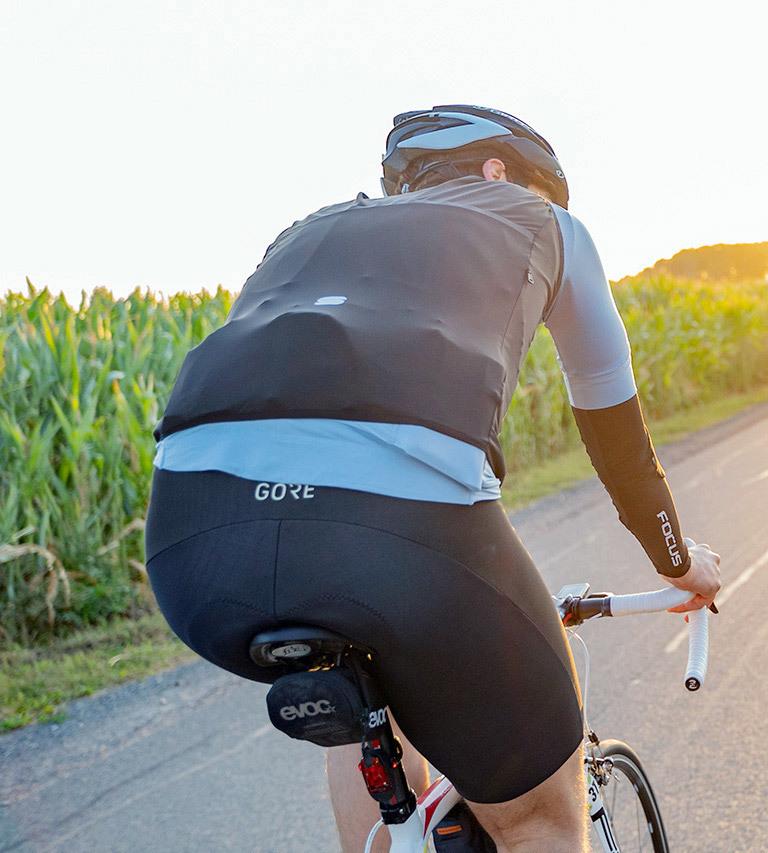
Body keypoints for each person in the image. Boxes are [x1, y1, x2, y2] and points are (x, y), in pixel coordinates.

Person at [145, 105, 722, 852]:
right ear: (498, 172)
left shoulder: (302, 234)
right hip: (406, 542)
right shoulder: (548, 225)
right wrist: (678, 562)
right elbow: (617, 437)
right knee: (538, 821)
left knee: (363, 693)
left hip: (194, 548)